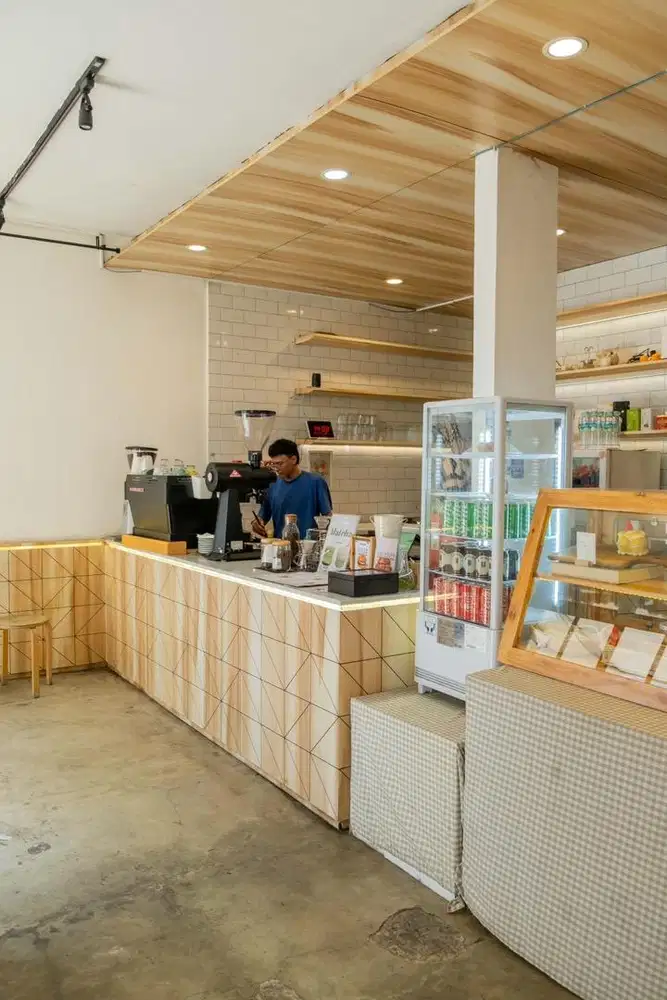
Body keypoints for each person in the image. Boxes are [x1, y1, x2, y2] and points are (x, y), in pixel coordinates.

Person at [252, 439, 332, 539]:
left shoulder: (316, 482)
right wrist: (257, 523)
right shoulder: (272, 485)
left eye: (280, 464)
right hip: (281, 547)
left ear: (293, 459)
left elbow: (328, 518)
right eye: (274, 464)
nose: (276, 468)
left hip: (308, 548)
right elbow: (262, 517)